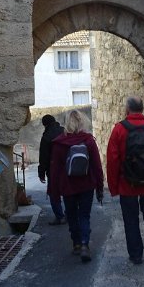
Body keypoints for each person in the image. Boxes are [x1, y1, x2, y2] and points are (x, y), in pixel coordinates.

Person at [107, 97, 144, 264]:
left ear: (127, 109)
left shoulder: (119, 129)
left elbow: (112, 160)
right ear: (142, 109)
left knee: (130, 218)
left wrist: (114, 187)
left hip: (127, 184)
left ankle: (135, 255)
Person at [48, 110, 104, 263]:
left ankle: (77, 244)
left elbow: (54, 170)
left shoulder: (59, 144)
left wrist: (54, 192)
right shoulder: (89, 141)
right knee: (84, 215)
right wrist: (99, 187)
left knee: (72, 215)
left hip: (68, 186)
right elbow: (97, 166)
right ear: (82, 122)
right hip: (86, 185)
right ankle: (85, 243)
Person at [38, 114, 66, 225]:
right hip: (67, 168)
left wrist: (41, 173)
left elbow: (43, 157)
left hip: (53, 170)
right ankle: (69, 214)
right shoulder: (64, 131)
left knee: (54, 193)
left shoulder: (46, 137)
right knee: (68, 192)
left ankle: (60, 216)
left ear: (45, 125)